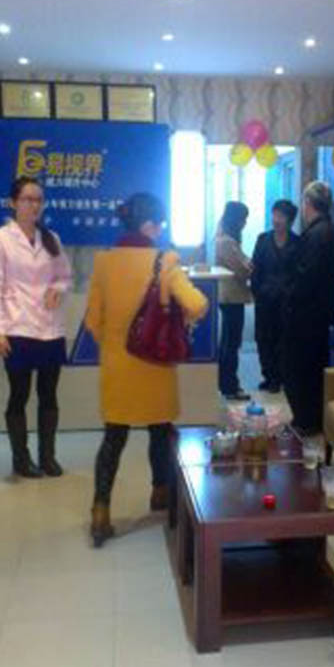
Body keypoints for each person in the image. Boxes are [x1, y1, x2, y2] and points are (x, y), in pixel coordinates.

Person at [85, 193, 207, 547]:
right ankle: (160, 494)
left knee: (113, 440)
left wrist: (116, 343)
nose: (161, 230)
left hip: (117, 370)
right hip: (155, 367)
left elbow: (92, 321)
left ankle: (100, 512)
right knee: (160, 431)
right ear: (150, 225)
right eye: (160, 224)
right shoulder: (164, 261)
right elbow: (197, 304)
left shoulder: (104, 262)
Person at [0, 176, 72, 477]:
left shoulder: (51, 238)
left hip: (50, 328)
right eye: (27, 199)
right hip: (17, 327)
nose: (34, 205)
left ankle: (48, 457)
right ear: (13, 203)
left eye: (38, 200)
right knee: (19, 395)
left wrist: (57, 288)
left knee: (49, 395)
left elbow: (64, 275)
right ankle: (21, 460)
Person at [282, 181, 334, 434]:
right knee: (315, 367)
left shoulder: (316, 235)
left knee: (299, 369)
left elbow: (305, 278)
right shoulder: (332, 232)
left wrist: (288, 297)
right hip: (322, 312)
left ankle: (305, 421)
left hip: (305, 316)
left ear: (308, 203)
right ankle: (312, 419)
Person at [251, 199, 299, 393]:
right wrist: (258, 292)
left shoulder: (298, 243)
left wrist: (291, 294)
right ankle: (269, 376)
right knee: (263, 338)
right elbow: (255, 269)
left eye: (281, 216)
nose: (276, 220)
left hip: (287, 302)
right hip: (265, 300)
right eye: (275, 215)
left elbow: (299, 273)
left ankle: (281, 377)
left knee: (284, 340)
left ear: (290, 220)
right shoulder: (263, 239)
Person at [215, 201, 253, 401]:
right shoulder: (227, 242)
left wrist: (248, 264)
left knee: (228, 342)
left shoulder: (226, 239)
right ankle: (230, 385)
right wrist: (250, 266)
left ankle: (226, 384)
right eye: (243, 219)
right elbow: (243, 270)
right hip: (231, 297)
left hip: (230, 297)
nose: (244, 223)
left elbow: (245, 262)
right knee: (231, 343)